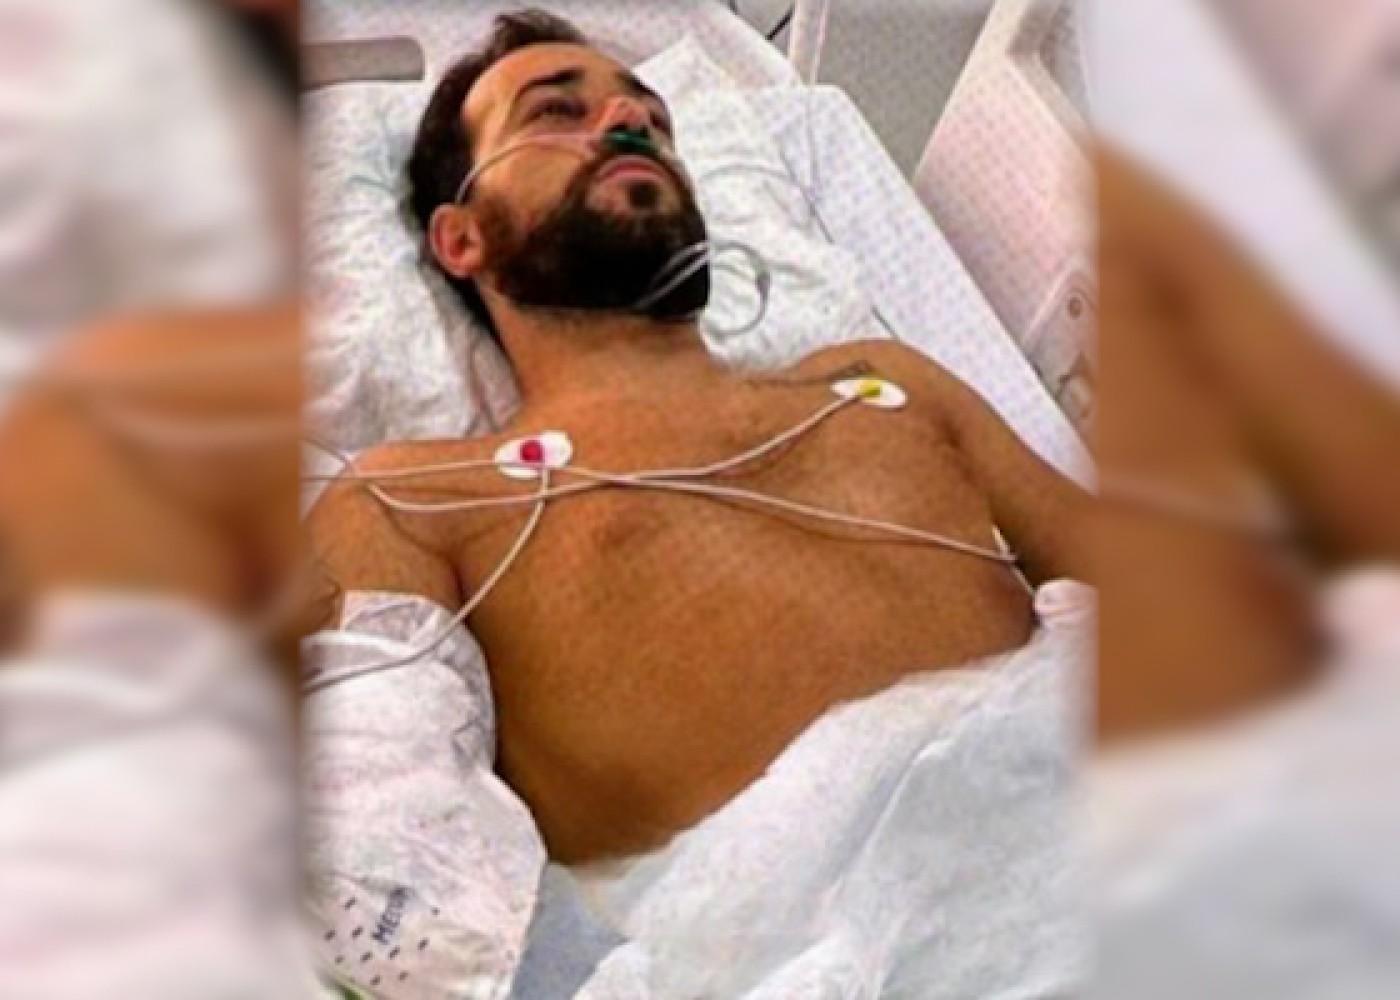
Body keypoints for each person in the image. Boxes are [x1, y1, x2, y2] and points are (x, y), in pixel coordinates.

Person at [307, 9, 1092, 867]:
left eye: (653, 117)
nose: (628, 119)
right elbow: (371, 843)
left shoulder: (884, 387)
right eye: (554, 111)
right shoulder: (413, 505)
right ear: (462, 237)